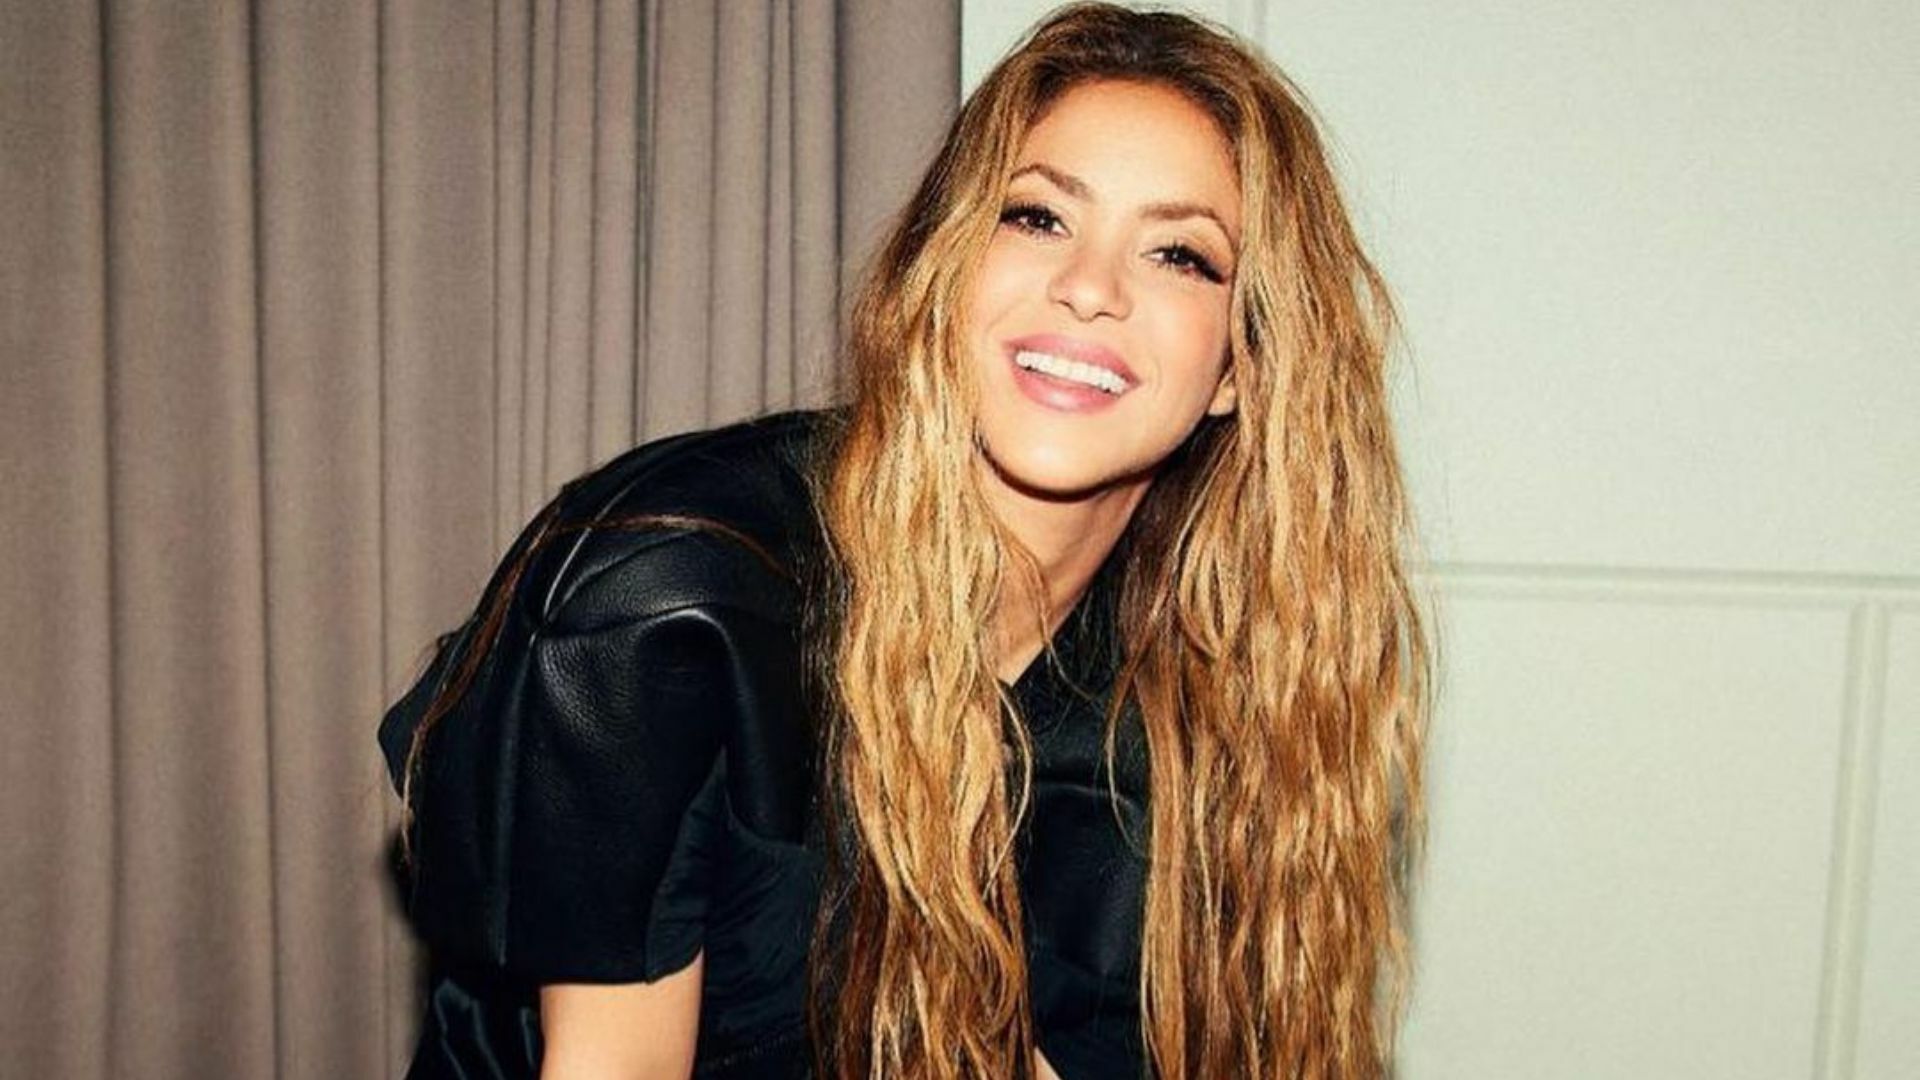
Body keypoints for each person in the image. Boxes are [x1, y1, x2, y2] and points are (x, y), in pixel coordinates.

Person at [379, 3, 1428, 1078]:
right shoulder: (672, 599)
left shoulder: (1212, 674)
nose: (1089, 288)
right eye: (1037, 217)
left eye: (1178, 255)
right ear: (945, 265)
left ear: (1241, 368)